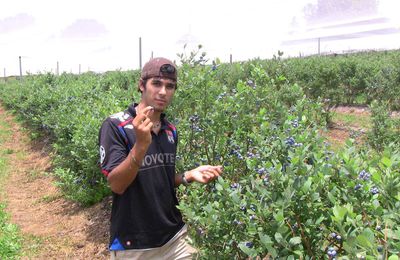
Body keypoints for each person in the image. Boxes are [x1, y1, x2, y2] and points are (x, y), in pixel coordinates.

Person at [98, 57, 223, 259]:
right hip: (134, 244)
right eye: (156, 83)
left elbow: (159, 177)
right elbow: (117, 184)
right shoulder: (115, 126)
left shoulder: (170, 131)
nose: (163, 91)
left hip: (174, 237)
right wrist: (140, 145)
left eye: (170, 86)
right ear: (141, 85)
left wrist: (188, 175)